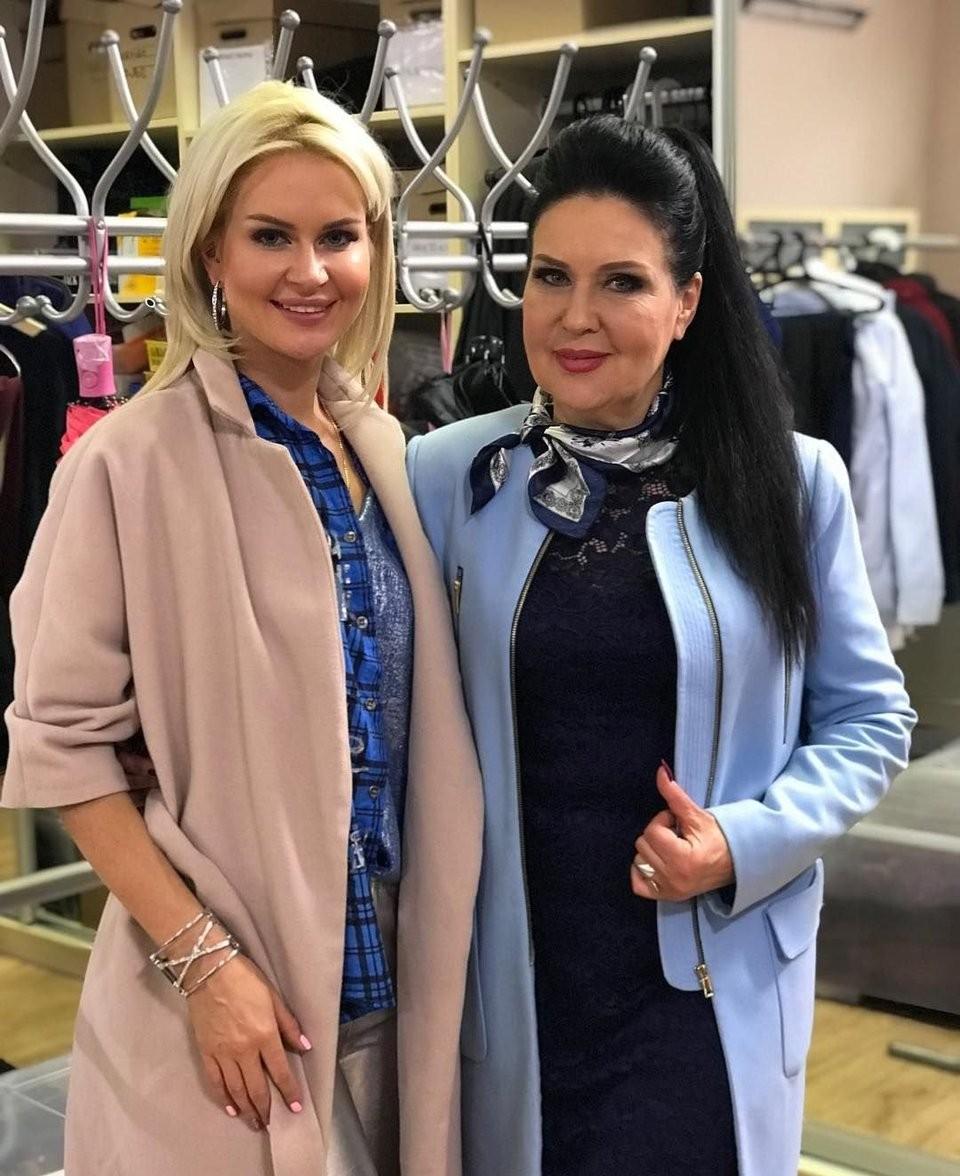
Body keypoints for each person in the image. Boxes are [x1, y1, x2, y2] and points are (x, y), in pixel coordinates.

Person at [406, 116, 916, 1176]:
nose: (575, 317)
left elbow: (870, 721)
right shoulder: (447, 478)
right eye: (551, 276)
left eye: (623, 283)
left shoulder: (791, 483)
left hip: (707, 989)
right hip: (517, 987)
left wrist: (743, 841)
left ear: (686, 302)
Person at [1, 81, 481, 1176]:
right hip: (224, 1017)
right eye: (271, 236)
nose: (310, 272)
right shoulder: (126, 463)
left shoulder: (393, 457)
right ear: (211, 250)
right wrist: (205, 967)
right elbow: (64, 745)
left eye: (338, 237)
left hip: (395, 988)